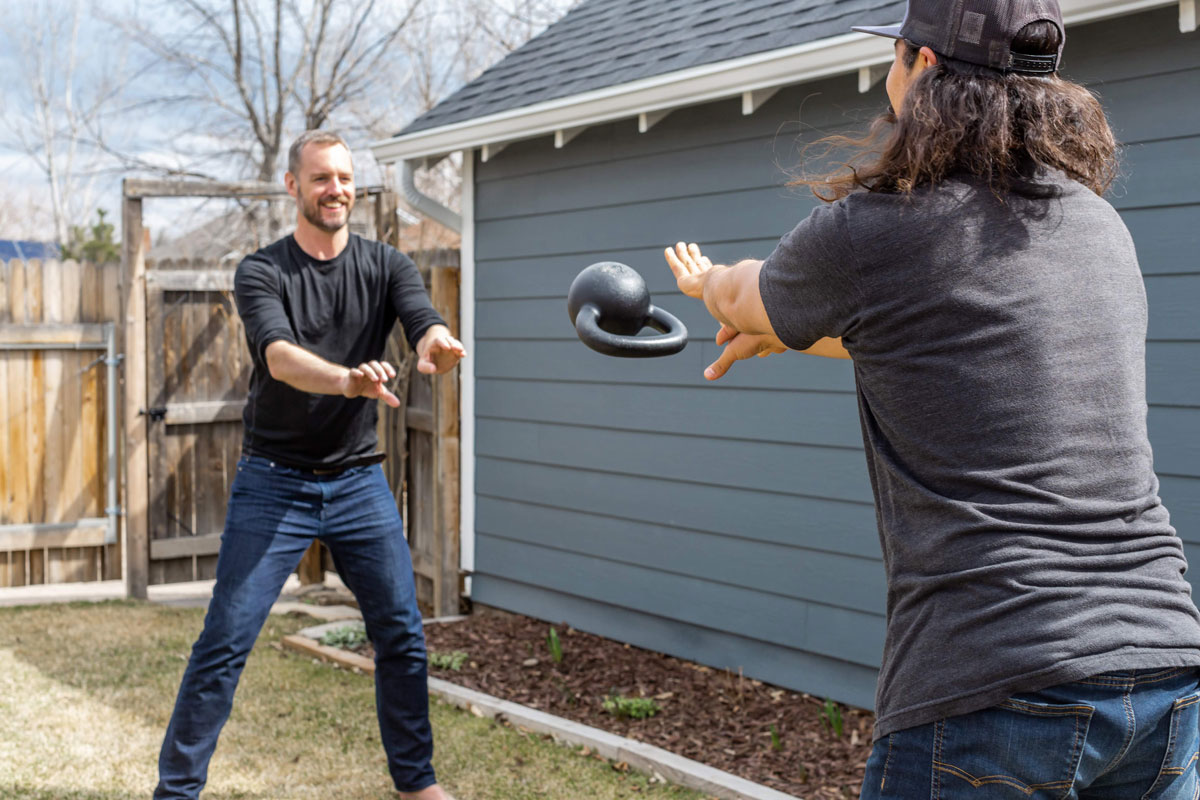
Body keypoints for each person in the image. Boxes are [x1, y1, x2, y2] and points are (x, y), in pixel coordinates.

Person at [665, 0, 1200, 796]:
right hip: (1164, 675)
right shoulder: (1098, 226)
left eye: (894, 54)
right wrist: (805, 334)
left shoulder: (876, 227)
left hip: (998, 684)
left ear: (923, 67)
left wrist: (710, 282)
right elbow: (955, 335)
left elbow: (750, 297)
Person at [154, 130, 463, 800]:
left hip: (358, 482)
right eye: (322, 178)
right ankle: (176, 792)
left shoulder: (386, 265)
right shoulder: (262, 271)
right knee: (225, 642)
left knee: (402, 637)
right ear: (293, 186)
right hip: (276, 483)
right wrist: (350, 380)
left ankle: (416, 785)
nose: (337, 190)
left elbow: (421, 319)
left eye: (346, 178)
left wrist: (438, 340)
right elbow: (280, 358)